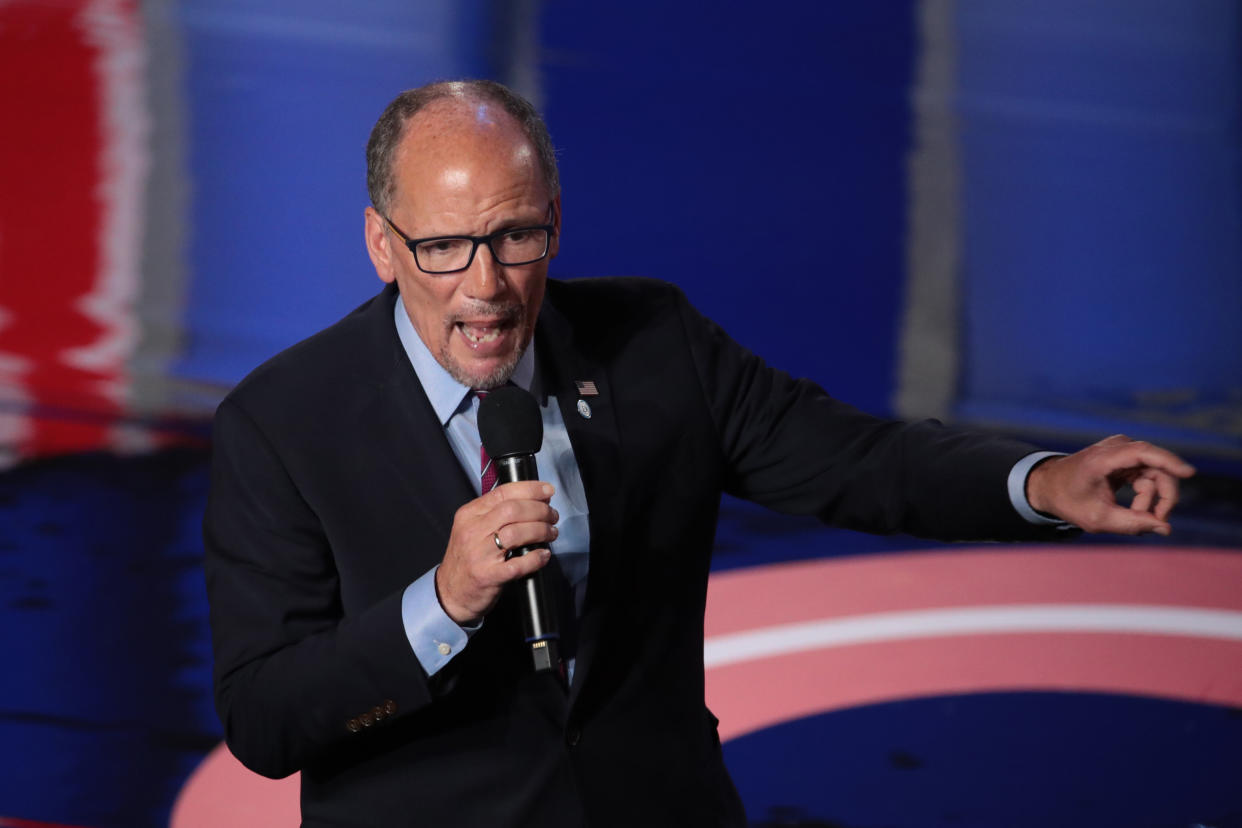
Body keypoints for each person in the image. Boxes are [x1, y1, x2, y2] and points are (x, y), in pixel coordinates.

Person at [203, 80, 1195, 827]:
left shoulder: (653, 343)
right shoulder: (284, 424)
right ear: (382, 245)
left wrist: (1042, 481)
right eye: (446, 247)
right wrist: (444, 601)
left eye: (516, 237)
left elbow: (855, 458)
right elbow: (267, 718)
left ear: (557, 221)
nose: (488, 284)